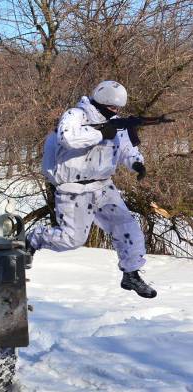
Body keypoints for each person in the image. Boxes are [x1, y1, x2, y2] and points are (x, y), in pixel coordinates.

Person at [27, 80, 156, 298]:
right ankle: (33, 239)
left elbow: (126, 148)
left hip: (103, 186)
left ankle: (131, 273)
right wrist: (100, 134)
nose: (115, 111)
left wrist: (137, 163)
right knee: (72, 239)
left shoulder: (116, 123)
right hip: (73, 189)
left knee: (127, 226)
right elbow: (67, 138)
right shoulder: (76, 115)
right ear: (102, 101)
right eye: (113, 107)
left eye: (118, 108)